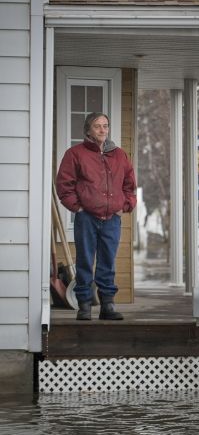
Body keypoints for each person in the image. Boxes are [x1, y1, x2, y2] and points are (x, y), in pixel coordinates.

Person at [56, 112, 137, 321]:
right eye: (97, 126)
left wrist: (125, 205)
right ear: (88, 130)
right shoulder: (75, 153)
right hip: (87, 218)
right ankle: (84, 305)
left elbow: (130, 185)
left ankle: (107, 306)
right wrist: (78, 208)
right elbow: (64, 185)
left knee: (107, 262)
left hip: (112, 218)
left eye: (105, 126)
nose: (102, 130)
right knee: (84, 260)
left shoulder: (119, 155)